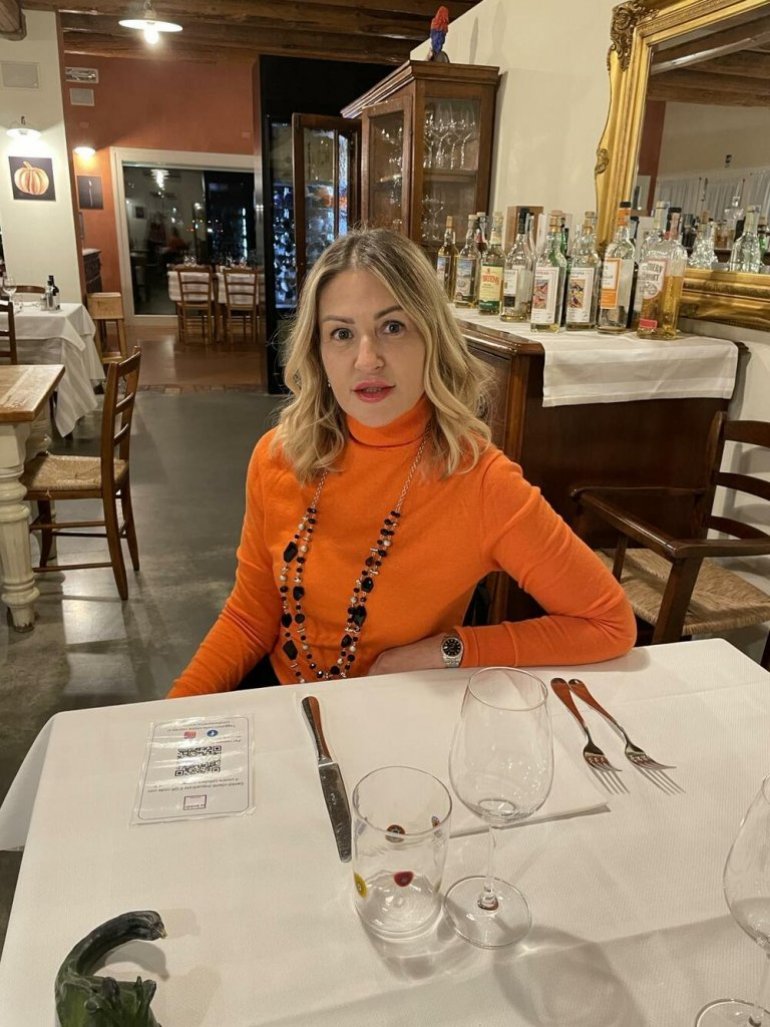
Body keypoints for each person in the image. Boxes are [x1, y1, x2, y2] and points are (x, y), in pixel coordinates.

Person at [168, 228, 635, 698]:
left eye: (393, 327)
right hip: (285, 704)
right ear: (318, 353)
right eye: (342, 334)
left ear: (432, 337)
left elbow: (609, 623)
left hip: (400, 713)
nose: (367, 359)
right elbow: (249, 618)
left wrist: (449, 650)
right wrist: (170, 714)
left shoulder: (481, 482)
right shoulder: (278, 455)